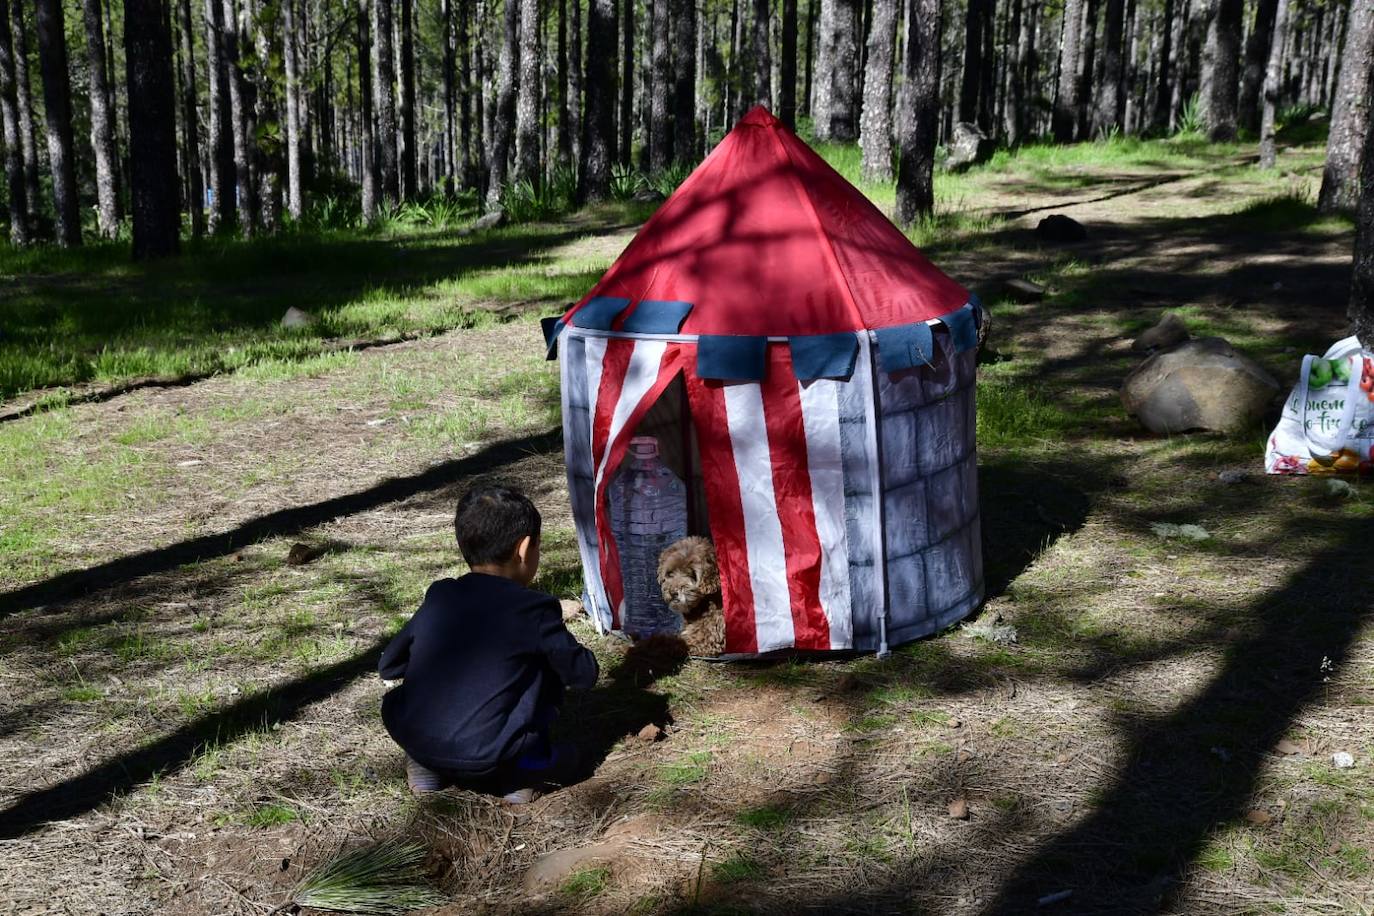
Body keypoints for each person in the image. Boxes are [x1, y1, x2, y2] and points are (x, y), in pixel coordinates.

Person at [378, 485, 599, 802]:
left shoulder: (441, 596)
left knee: (408, 700)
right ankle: (521, 774)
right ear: (524, 550)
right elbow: (583, 674)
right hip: (492, 753)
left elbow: (389, 664)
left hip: (416, 738)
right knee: (573, 755)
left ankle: (428, 765)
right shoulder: (533, 610)